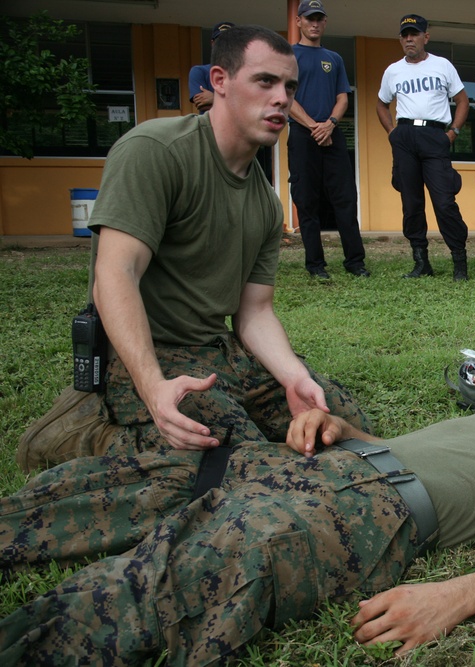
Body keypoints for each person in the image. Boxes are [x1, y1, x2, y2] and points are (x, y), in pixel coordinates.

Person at [0, 383, 475, 663]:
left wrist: (455, 596)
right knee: (137, 482)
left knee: (201, 565)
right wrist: (343, 428)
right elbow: (417, 444)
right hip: (339, 459)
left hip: (374, 510)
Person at [86, 25, 371, 458]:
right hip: (147, 356)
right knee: (238, 455)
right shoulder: (155, 152)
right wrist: (152, 387)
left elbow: (254, 312)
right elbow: (114, 274)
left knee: (336, 421)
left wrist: (294, 377)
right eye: (265, 81)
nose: (282, 98)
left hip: (220, 353)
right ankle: (103, 434)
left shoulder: (265, 203)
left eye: (289, 86)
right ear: (219, 81)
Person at [376, 15, 471, 281]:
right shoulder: (393, 70)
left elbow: (462, 101)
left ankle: (459, 263)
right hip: (404, 137)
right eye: (405, 35)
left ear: (425, 37)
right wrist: (392, 132)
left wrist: (453, 132)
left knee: (444, 201)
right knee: (411, 203)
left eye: (414, 34)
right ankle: (421, 262)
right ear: (400, 39)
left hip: (434, 135)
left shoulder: (442, 65)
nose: (409, 39)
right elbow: (382, 103)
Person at [288, 0, 370, 280]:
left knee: (345, 198)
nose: (314, 23)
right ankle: (316, 265)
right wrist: (314, 127)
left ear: (325, 23)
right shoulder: (288, 55)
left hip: (331, 134)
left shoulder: (334, 58)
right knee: (307, 200)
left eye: (319, 19)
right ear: (299, 21)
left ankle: (355, 262)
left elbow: (343, 97)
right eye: (309, 18)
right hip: (303, 135)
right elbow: (286, 97)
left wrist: (330, 124)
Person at [187, 21, 235, 114]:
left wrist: (214, 99)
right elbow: (202, 103)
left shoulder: (245, 73)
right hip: (210, 128)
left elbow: (251, 106)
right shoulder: (199, 71)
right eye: (220, 41)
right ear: (213, 43)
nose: (225, 45)